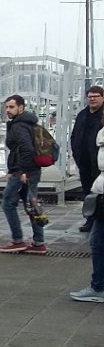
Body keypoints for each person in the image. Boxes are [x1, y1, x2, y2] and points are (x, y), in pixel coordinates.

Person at [0, 94, 47, 254]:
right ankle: (39, 242)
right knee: (31, 205)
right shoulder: (27, 123)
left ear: (21, 107)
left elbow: (26, 149)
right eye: (6, 107)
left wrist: (22, 171)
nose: (8, 110)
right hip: (28, 169)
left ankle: (18, 240)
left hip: (24, 171)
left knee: (8, 203)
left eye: (11, 107)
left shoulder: (19, 126)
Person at [71, 122, 104, 302]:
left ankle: (98, 287)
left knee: (97, 242)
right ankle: (98, 285)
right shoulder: (100, 134)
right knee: (96, 241)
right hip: (100, 191)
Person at [70, 85, 104, 233]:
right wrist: (76, 154)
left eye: (95, 96)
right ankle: (90, 220)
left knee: (99, 194)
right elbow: (74, 135)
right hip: (84, 162)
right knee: (88, 193)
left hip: (100, 163)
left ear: (102, 97)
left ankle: (99, 222)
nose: (92, 99)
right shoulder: (82, 115)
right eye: (90, 96)